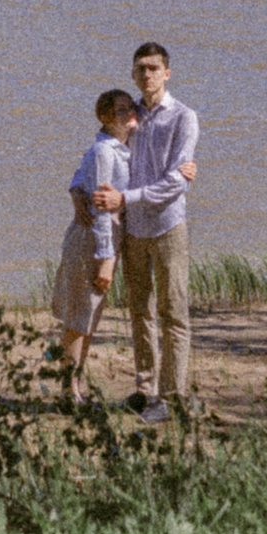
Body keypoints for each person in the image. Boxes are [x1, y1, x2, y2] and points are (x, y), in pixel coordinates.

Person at [119, 43, 199, 424]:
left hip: (168, 226)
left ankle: (171, 397)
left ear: (167, 73)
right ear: (133, 75)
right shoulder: (128, 116)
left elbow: (177, 182)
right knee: (139, 311)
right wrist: (79, 190)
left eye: (153, 68)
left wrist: (127, 197)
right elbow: (104, 149)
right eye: (141, 69)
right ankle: (146, 389)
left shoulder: (184, 117)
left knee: (174, 312)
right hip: (133, 228)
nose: (147, 74)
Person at [53, 87, 137, 398]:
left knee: (88, 317)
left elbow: (80, 175)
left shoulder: (123, 146)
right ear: (105, 117)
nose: (129, 114)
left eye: (131, 108)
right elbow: (101, 209)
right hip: (91, 239)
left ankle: (74, 387)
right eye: (121, 110)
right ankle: (68, 391)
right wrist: (106, 258)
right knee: (79, 319)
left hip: (105, 238)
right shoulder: (104, 151)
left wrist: (75, 189)